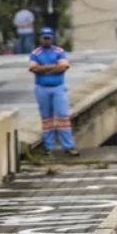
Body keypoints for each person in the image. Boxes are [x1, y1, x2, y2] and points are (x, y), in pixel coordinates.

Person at [28, 27, 78, 156]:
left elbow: (63, 67)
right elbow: (33, 68)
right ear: (40, 39)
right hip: (42, 88)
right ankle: (48, 147)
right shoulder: (35, 53)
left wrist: (44, 68)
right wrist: (53, 67)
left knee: (63, 117)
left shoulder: (59, 51)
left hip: (58, 87)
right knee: (47, 119)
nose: (46, 40)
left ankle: (68, 146)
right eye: (44, 38)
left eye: (48, 38)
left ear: (52, 38)